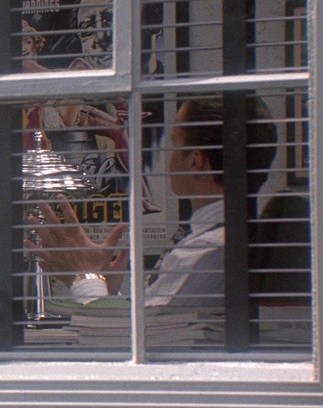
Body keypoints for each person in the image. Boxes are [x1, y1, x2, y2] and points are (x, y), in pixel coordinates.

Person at [27, 98, 277, 307]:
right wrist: (102, 289)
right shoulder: (224, 240)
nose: (170, 157)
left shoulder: (206, 252)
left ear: (195, 161)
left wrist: (84, 277)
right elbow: (155, 324)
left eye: (174, 143)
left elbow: (140, 338)